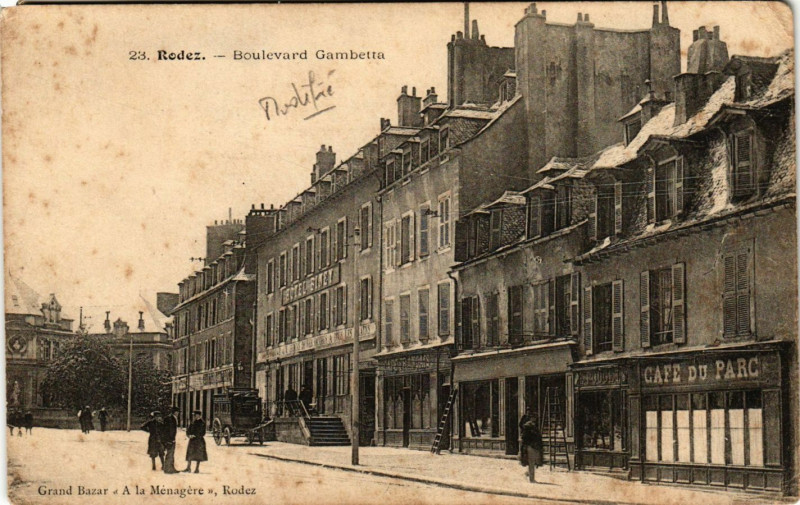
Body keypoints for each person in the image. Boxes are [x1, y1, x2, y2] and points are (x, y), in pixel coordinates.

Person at [521, 417, 544, 483]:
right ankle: (531, 478)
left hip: (530, 447)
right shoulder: (533, 431)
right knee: (532, 463)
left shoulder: (526, 431)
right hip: (532, 447)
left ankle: (528, 474)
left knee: (531, 463)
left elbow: (524, 440)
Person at [162, 407, 179, 474]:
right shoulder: (171, 419)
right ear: (175, 412)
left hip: (171, 439)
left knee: (171, 454)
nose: (178, 413)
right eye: (177, 412)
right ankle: (167, 469)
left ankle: (171, 468)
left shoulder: (170, 418)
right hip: (169, 439)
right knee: (169, 453)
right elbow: (169, 430)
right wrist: (170, 439)